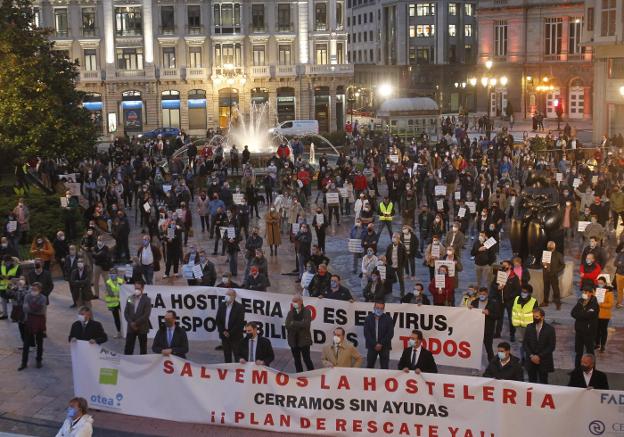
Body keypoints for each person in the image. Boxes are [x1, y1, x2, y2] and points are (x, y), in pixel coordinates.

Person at [523, 308, 556, 384]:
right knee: (531, 382)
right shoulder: (529, 327)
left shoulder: (550, 329)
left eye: (537, 317)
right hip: (531, 360)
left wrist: (539, 356)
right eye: (533, 316)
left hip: (544, 360)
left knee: (543, 381)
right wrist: (532, 356)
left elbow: (551, 346)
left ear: (542, 317)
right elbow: (525, 344)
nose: (534, 318)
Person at [19, 282, 47, 370]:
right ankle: (24, 363)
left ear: (40, 290)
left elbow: (42, 311)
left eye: (35, 289)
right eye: (32, 289)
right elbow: (24, 308)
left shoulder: (43, 298)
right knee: (26, 344)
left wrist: (30, 308)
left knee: (40, 343)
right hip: (29, 322)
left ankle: (39, 360)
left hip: (39, 322)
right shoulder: (27, 296)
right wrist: (35, 308)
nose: (33, 291)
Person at [285, 294, 314, 372]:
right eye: (293, 301)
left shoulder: (307, 311)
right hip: (293, 340)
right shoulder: (290, 313)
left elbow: (306, 324)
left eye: (296, 301)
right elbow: (287, 325)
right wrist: (300, 323)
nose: (294, 303)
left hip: (304, 340)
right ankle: (299, 374)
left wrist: (293, 323)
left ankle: (311, 373)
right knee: (297, 360)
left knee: (306, 359)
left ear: (301, 301)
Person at [571, 287, 599, 368]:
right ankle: (577, 370)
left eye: (586, 291)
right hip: (579, 331)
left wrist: (579, 315)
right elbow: (573, 313)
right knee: (578, 352)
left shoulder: (594, 304)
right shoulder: (580, 301)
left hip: (589, 332)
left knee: (590, 352)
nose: (584, 293)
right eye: (583, 291)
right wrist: (582, 314)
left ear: (591, 293)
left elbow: (588, 315)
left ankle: (592, 371)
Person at [470, 287, 500, 362]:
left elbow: (498, 316)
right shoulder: (474, 302)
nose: (482, 295)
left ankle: (492, 365)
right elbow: (469, 316)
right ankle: (475, 365)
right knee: (476, 349)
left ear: (487, 294)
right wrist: (469, 310)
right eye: (480, 294)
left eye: (484, 294)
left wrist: (489, 313)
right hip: (476, 329)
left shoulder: (493, 303)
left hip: (488, 330)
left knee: (489, 349)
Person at [216, 289, 245, 363]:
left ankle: (238, 372)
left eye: (229, 295)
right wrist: (223, 331)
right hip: (224, 336)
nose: (227, 296)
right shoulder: (222, 305)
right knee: (227, 355)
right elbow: (218, 320)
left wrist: (230, 333)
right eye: (226, 294)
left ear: (234, 296)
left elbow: (239, 323)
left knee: (237, 355)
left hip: (235, 336)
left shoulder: (239, 307)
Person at [124, 281, 152, 355]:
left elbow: (146, 315)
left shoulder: (147, 300)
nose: (137, 290)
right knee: (128, 348)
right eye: (136, 288)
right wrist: (131, 323)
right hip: (131, 328)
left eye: (138, 288)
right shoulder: (130, 298)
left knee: (143, 349)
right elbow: (126, 312)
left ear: (142, 289)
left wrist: (135, 323)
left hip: (142, 327)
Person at [363, 301, 394, 369]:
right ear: (374, 308)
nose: (379, 310)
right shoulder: (368, 318)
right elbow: (366, 333)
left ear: (384, 309)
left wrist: (381, 344)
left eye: (381, 308)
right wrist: (375, 344)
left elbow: (390, 334)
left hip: (385, 346)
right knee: (370, 366)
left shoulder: (388, 319)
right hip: (372, 346)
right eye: (377, 308)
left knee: (384, 367)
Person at [542, 241, 565, 309]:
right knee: (546, 289)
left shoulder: (558, 254)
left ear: (554, 247)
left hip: (554, 274)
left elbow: (563, 265)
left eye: (551, 246)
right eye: (549, 246)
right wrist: (543, 264)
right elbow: (541, 262)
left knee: (555, 289)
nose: (550, 247)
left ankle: (558, 303)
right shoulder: (545, 253)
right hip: (546, 274)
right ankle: (545, 302)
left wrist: (556, 271)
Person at [385, 232, 407, 298]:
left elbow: (405, 257)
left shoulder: (402, 247)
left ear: (398, 239)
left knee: (401, 280)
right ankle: (389, 292)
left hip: (399, 266)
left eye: (395, 237)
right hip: (391, 266)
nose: (393, 238)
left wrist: (402, 265)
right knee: (390, 280)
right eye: (393, 237)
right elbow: (387, 255)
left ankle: (402, 293)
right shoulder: (389, 246)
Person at [104, 268, 124, 338]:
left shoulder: (121, 281)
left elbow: (125, 290)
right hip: (113, 304)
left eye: (114, 273)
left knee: (125, 317)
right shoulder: (108, 282)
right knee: (116, 318)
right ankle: (119, 332)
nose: (112, 274)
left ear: (117, 274)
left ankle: (127, 332)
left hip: (121, 302)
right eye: (111, 273)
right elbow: (110, 293)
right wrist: (118, 294)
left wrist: (118, 294)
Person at [0, 255, 20, 319]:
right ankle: (5, 314)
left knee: (14, 301)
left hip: (12, 286)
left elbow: (19, 277)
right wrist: (1, 277)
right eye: (5, 261)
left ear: (10, 261)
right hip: (3, 286)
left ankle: (15, 315)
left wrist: (10, 277)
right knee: (3, 301)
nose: (6, 263)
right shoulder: (2, 266)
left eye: (7, 262)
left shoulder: (17, 267)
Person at [595, 283, 614, 353]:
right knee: (597, 330)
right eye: (599, 281)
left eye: (601, 282)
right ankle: (597, 343)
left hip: (605, 315)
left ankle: (603, 345)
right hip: (596, 315)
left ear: (605, 283)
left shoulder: (609, 293)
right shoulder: (596, 291)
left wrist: (601, 304)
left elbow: (610, 304)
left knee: (603, 330)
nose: (600, 283)